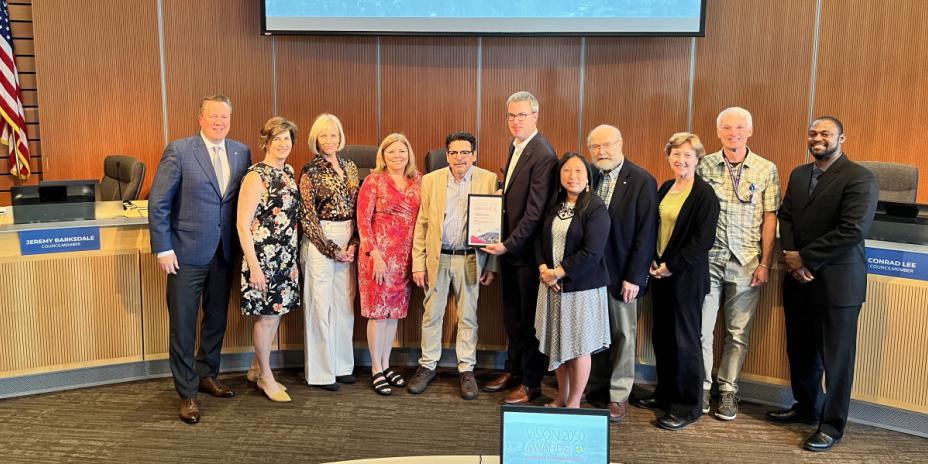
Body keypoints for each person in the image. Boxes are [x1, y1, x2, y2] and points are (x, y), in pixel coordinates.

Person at [766, 116, 878, 452]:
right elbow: (786, 215)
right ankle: (805, 408)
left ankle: (831, 425)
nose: (818, 138)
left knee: (836, 359)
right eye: (813, 133)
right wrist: (790, 255)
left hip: (838, 283)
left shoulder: (860, 177)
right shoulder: (800, 174)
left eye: (825, 133)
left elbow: (853, 229)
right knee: (800, 351)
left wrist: (807, 258)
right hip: (798, 279)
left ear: (842, 137)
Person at [148, 94, 251, 424]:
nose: (219, 122)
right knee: (182, 324)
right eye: (213, 116)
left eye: (224, 117)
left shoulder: (241, 151)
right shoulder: (179, 150)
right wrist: (163, 248)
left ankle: (208, 374)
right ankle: (187, 393)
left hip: (224, 252)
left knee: (216, 318)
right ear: (200, 118)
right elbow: (159, 203)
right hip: (185, 254)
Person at [696, 107, 780, 420]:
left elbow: (770, 217)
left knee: (737, 333)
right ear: (718, 132)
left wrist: (765, 263)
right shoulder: (705, 166)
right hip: (709, 259)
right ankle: (702, 386)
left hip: (747, 262)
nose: (734, 133)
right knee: (703, 330)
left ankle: (728, 389)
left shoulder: (766, 168)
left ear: (750, 130)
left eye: (740, 128)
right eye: (727, 128)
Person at [632, 132, 719, 431]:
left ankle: (686, 407)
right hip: (661, 275)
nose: (681, 160)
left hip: (686, 278)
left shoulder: (704, 194)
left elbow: (702, 241)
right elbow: (654, 227)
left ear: (697, 159)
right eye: (676, 154)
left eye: (687, 156)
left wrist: (672, 266)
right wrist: (655, 261)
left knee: (686, 343)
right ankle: (665, 395)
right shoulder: (667, 187)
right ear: (669, 156)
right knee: (663, 338)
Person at [407, 131, 498, 400]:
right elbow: (422, 224)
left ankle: (466, 369)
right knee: (431, 313)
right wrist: (418, 263)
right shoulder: (432, 181)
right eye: (454, 152)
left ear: (474, 154)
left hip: (471, 257)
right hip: (439, 257)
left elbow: (495, 225)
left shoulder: (488, 179)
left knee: (468, 315)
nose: (460, 157)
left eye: (465, 152)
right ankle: (427, 365)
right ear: (446, 155)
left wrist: (492, 265)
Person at [482, 91, 557, 405]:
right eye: (511, 115)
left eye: (522, 115)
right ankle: (512, 370)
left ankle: (531, 383)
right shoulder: (517, 145)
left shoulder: (542, 153)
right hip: (510, 252)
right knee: (512, 317)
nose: (515, 121)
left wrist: (509, 245)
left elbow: (536, 211)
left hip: (526, 254)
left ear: (535, 116)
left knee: (529, 322)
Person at [584, 125, 658, 422]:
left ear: (621, 143)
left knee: (623, 335)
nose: (601, 152)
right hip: (589, 274)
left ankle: (619, 394)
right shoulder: (587, 176)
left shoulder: (641, 180)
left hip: (623, 275)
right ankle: (597, 385)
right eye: (595, 147)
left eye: (607, 145)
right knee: (593, 334)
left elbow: (646, 233)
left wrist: (636, 277)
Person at [534, 152, 611, 409]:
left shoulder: (595, 206)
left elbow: (593, 252)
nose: (572, 176)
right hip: (551, 287)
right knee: (557, 343)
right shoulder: (555, 204)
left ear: (588, 176)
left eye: (578, 171)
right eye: (567, 170)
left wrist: (558, 272)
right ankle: (561, 396)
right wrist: (544, 269)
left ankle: (574, 402)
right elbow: (538, 239)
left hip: (581, 289)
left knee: (578, 347)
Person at [237, 116, 301, 403]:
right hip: (262, 259)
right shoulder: (255, 176)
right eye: (277, 139)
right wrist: (254, 267)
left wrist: (294, 262)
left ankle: (255, 369)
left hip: (285, 258)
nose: (283, 144)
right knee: (268, 318)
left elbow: (291, 222)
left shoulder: (288, 171)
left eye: (287, 139)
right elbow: (242, 224)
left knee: (275, 317)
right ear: (266, 142)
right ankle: (266, 376)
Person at [357, 133, 422, 396]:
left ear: (409, 154)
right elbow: (363, 221)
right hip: (378, 259)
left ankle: (386, 364)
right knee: (378, 313)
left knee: (393, 314)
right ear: (382, 156)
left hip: (404, 259)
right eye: (391, 151)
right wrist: (376, 255)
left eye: (402, 151)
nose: (397, 156)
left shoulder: (418, 181)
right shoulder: (374, 181)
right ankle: (375, 368)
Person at [299, 113, 360, 391]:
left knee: (344, 306)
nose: (329, 140)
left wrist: (353, 244)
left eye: (334, 134)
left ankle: (342, 366)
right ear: (316, 140)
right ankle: (322, 373)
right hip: (321, 241)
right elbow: (307, 218)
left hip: (348, 239)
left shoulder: (351, 166)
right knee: (320, 306)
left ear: (340, 137)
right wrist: (332, 249)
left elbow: (360, 208)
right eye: (324, 136)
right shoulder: (309, 171)